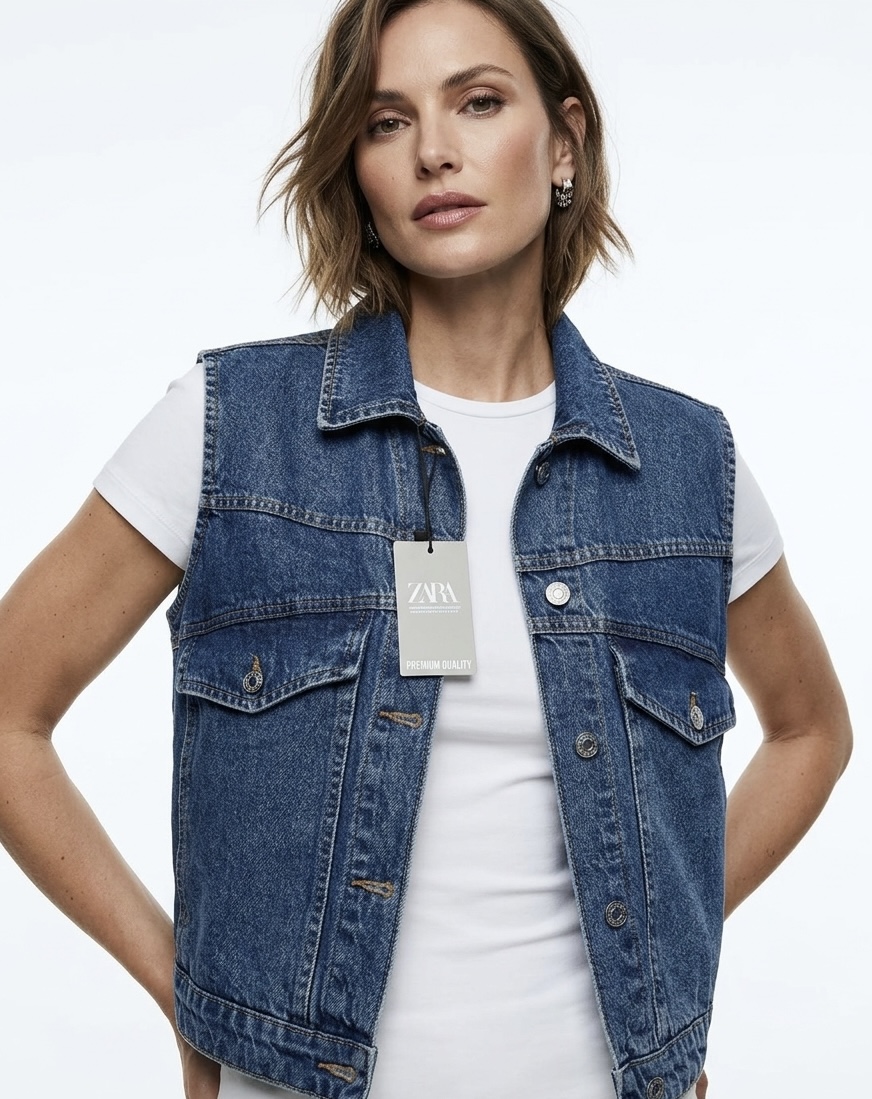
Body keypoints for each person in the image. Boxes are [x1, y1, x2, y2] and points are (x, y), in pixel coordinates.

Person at [0, 0, 852, 1097]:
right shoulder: (233, 425)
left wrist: (655, 956)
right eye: (386, 121)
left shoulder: (685, 463)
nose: (434, 152)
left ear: (563, 143)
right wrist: (187, 989)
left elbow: (811, 731)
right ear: (354, 169)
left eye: (478, 102)